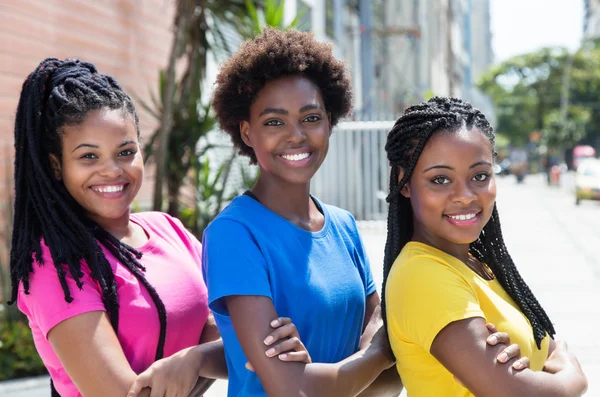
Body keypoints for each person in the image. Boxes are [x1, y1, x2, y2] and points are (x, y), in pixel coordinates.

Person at [202, 28, 526, 397]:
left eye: (311, 118)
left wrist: (338, 371)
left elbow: (387, 370)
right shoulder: (233, 234)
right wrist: (374, 351)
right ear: (246, 132)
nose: (296, 135)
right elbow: (294, 390)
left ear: (330, 121)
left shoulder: (342, 226)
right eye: (274, 122)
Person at [9, 58, 310, 397]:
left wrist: (197, 359)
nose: (112, 171)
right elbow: (127, 394)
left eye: (125, 151)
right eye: (89, 157)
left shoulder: (168, 230)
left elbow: (241, 337)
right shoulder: (56, 266)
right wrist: (221, 356)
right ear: (56, 166)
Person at [381, 96, 588, 396]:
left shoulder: (478, 264)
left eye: (479, 176)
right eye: (440, 179)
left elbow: (547, 350)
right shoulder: (423, 275)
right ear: (405, 183)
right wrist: (573, 378)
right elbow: (517, 391)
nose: (465, 196)